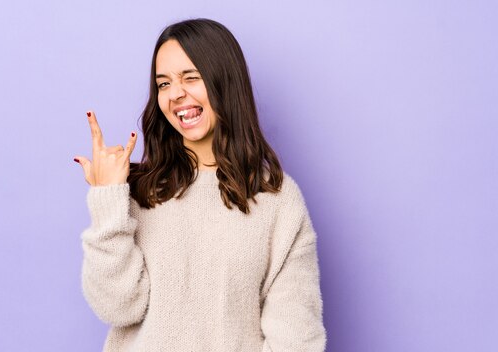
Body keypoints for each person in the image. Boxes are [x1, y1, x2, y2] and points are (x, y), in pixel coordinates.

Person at [73, 18, 326, 352]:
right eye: (163, 84)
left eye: (190, 78)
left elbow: (296, 339)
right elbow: (117, 307)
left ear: (225, 81)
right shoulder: (139, 191)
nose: (176, 94)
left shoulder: (278, 201)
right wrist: (107, 200)